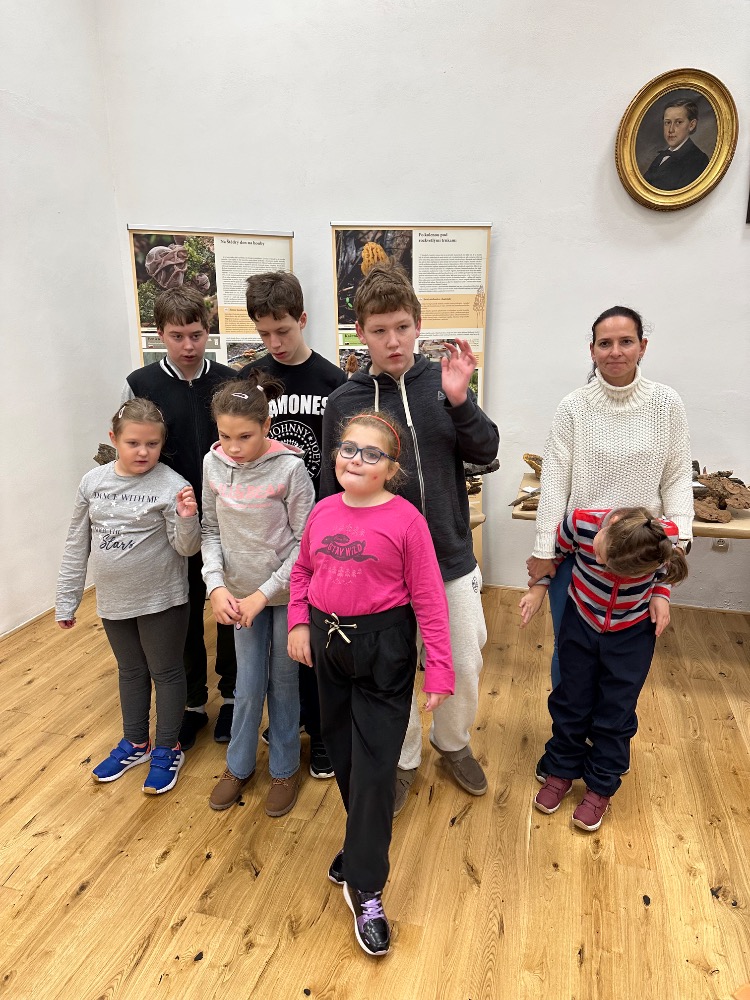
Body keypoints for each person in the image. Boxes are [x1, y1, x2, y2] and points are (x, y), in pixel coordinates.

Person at [320, 262, 499, 813]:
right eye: (379, 330)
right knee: (390, 671)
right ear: (361, 333)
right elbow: (331, 488)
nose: (393, 341)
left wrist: (461, 401)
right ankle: (401, 759)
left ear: (418, 324)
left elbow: (486, 450)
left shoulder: (444, 385)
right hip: (378, 571)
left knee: (463, 663)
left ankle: (453, 742)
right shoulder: (344, 401)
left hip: (448, 556)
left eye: (401, 327)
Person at [288, 411, 455, 956]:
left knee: (378, 767)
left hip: (385, 649)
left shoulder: (406, 521)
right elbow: (302, 571)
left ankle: (366, 886)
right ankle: (360, 844)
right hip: (327, 644)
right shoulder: (322, 511)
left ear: (391, 467)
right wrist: (298, 623)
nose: (355, 460)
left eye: (371, 453)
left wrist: (440, 668)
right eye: (348, 449)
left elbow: (429, 597)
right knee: (343, 755)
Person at [526, 306, 694, 709]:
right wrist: (544, 549)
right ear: (592, 350)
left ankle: (605, 736)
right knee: (570, 651)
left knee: (622, 661)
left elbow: (676, 475)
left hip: (641, 551)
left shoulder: (666, 404)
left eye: (626, 341)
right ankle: (569, 736)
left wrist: (680, 539)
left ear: (643, 346)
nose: (615, 351)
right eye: (605, 343)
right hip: (580, 551)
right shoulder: (573, 407)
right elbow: (555, 482)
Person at [56, 398, 201, 794]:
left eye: (152, 444)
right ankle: (136, 742)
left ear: (162, 442)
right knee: (130, 671)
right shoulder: (93, 482)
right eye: (133, 443)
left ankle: (168, 748)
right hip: (113, 601)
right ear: (114, 439)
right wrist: (67, 599)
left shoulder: (172, 484)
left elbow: (187, 548)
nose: (143, 452)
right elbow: (76, 544)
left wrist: (188, 518)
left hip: (162, 600)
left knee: (165, 672)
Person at [520, 507, 688, 831]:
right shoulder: (579, 523)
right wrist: (537, 588)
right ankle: (561, 768)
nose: (599, 562)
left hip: (632, 634)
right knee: (571, 701)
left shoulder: (662, 537)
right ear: (612, 523)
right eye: (601, 555)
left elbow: (664, 570)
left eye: (610, 567)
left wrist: (661, 593)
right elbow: (553, 556)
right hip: (581, 622)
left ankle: (600, 786)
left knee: (616, 713)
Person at [122, 286, 239, 749]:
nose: (188, 346)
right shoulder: (140, 384)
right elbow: (128, 451)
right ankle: (192, 704)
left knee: (228, 605)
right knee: (183, 609)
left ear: (208, 331)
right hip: (170, 522)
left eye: (196, 335)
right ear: (159, 334)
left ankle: (232, 697)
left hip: (229, 516)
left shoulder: (230, 380)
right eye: (177, 336)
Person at [240, 271, 346, 780]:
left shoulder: (333, 382)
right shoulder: (250, 382)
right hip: (266, 536)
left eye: (282, 330)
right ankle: (291, 721)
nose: (274, 342)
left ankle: (322, 730)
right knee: (280, 643)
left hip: (321, 527)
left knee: (319, 635)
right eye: (264, 333)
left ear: (302, 319)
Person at [203, 371, 315, 818]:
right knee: (246, 685)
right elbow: (210, 531)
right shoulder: (212, 464)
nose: (233, 447)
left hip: (285, 595)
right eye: (225, 436)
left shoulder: (290, 468)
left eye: (245, 437)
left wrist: (264, 593)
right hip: (237, 597)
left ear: (267, 426)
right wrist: (215, 585)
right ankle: (239, 765)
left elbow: (306, 543)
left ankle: (284, 769)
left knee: (284, 684)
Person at [642, 98, 710, 191]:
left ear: (691, 125)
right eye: (667, 122)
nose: (671, 130)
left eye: (678, 122)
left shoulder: (698, 160)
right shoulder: (662, 156)